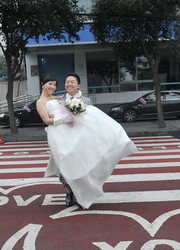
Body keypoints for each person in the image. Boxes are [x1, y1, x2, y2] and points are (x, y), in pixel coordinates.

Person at [36, 74, 137, 209]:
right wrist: (61, 120)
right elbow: (48, 119)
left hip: (81, 140)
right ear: (42, 84)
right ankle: (69, 191)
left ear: (79, 85)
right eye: (50, 84)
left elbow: (93, 120)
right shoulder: (49, 100)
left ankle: (83, 192)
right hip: (60, 136)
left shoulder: (70, 99)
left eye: (54, 84)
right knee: (63, 166)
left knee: (81, 166)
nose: (53, 87)